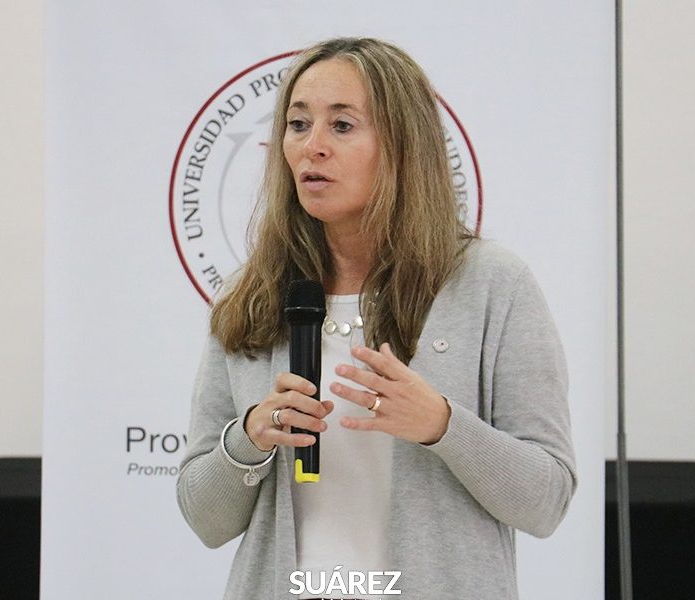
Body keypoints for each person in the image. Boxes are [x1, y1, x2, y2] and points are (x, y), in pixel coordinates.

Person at [177, 37, 575, 600]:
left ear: (402, 146)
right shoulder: (253, 295)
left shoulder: (491, 285)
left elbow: (546, 501)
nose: (312, 147)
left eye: (342, 126)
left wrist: (442, 424)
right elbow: (204, 519)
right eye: (298, 124)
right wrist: (248, 439)